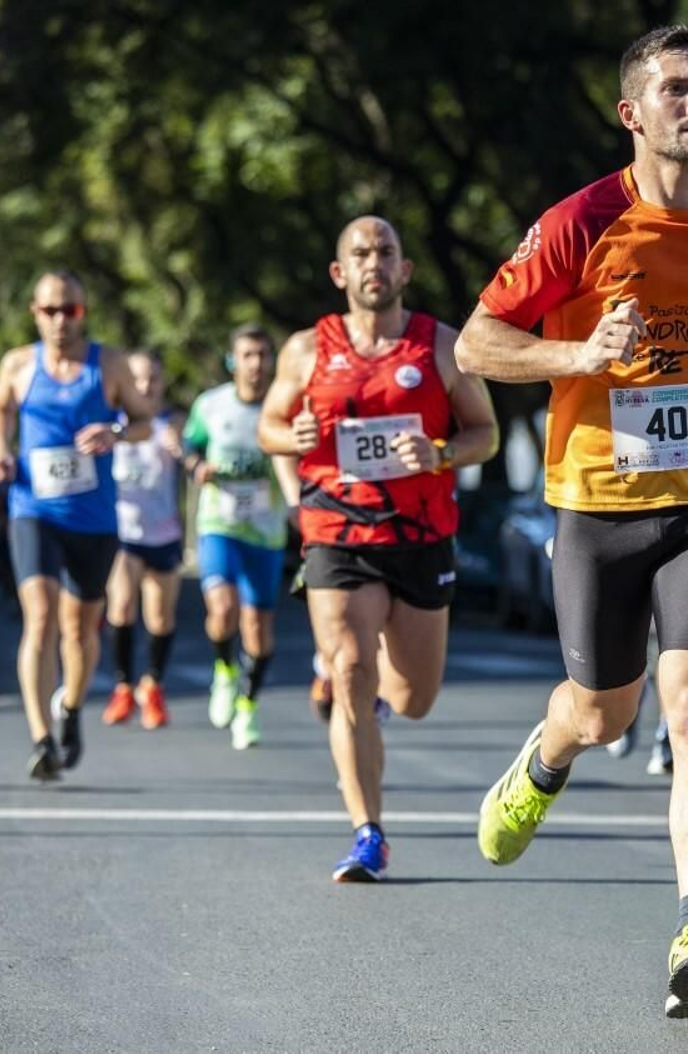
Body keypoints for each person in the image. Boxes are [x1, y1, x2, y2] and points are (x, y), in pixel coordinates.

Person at [455, 25, 688, 1019]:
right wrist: (577, 358)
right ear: (633, 113)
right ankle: (550, 751)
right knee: (605, 711)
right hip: (598, 501)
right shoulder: (579, 223)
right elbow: (480, 340)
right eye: (677, 90)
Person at [260, 215, 497, 883]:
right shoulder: (306, 350)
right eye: (360, 253)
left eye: (385, 251)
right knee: (349, 672)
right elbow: (269, 425)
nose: (373, 262)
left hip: (420, 536)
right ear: (340, 273)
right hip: (336, 529)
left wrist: (441, 452)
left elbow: (487, 433)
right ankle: (368, 833)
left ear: (404, 270)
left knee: (415, 697)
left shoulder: (441, 346)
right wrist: (293, 435)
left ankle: (381, 699)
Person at [0, 270, 153, 780]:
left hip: (94, 519)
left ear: (83, 312)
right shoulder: (18, 363)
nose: (61, 320)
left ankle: (72, 708)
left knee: (80, 630)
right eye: (50, 310)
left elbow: (147, 419)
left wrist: (116, 431)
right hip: (34, 509)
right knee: (40, 617)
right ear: (35, 313)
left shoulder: (110, 365)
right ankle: (40, 739)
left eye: (71, 310)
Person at [181, 325, 288, 750]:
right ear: (233, 361)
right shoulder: (211, 405)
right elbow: (189, 447)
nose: (256, 364)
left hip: (266, 531)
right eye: (247, 355)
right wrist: (197, 468)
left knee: (258, 631)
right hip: (219, 525)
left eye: (263, 354)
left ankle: (248, 705)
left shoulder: (284, 407)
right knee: (222, 609)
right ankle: (224, 671)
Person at [104, 350, 184, 730]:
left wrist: (181, 449)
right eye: (137, 379)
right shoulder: (113, 426)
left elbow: (192, 452)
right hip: (124, 532)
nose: (145, 386)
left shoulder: (173, 424)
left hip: (163, 533)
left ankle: (151, 685)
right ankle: (123, 686)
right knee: (120, 606)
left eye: (152, 378)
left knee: (160, 616)